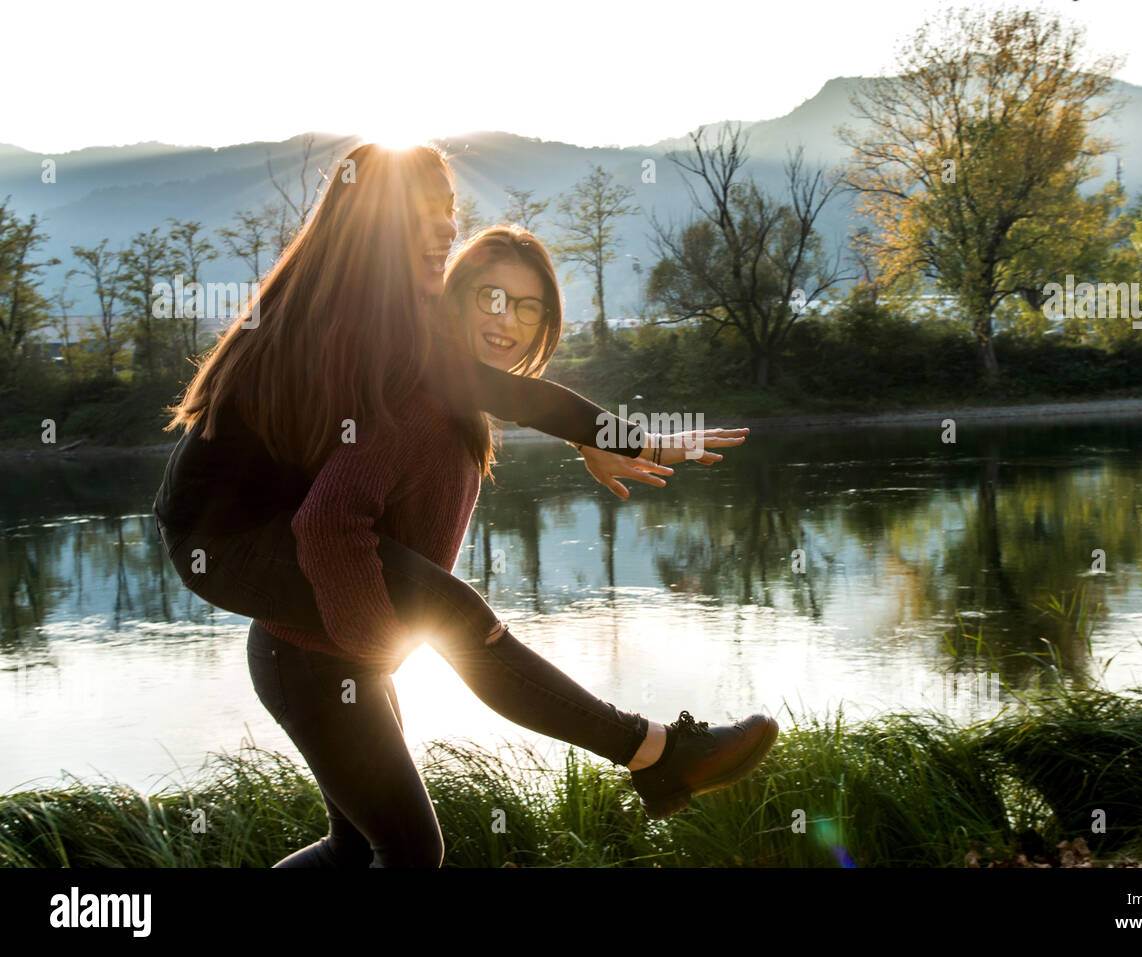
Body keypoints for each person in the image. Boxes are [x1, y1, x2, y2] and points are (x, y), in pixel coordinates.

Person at [153, 143, 778, 867]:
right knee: (447, 638)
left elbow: (507, 392)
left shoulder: (388, 319)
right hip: (222, 538)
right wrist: (373, 644)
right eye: (424, 213)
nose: (447, 228)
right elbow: (332, 516)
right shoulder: (365, 317)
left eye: (450, 212)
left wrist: (614, 438)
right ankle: (655, 752)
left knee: (359, 848)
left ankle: (657, 754)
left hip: (268, 557)